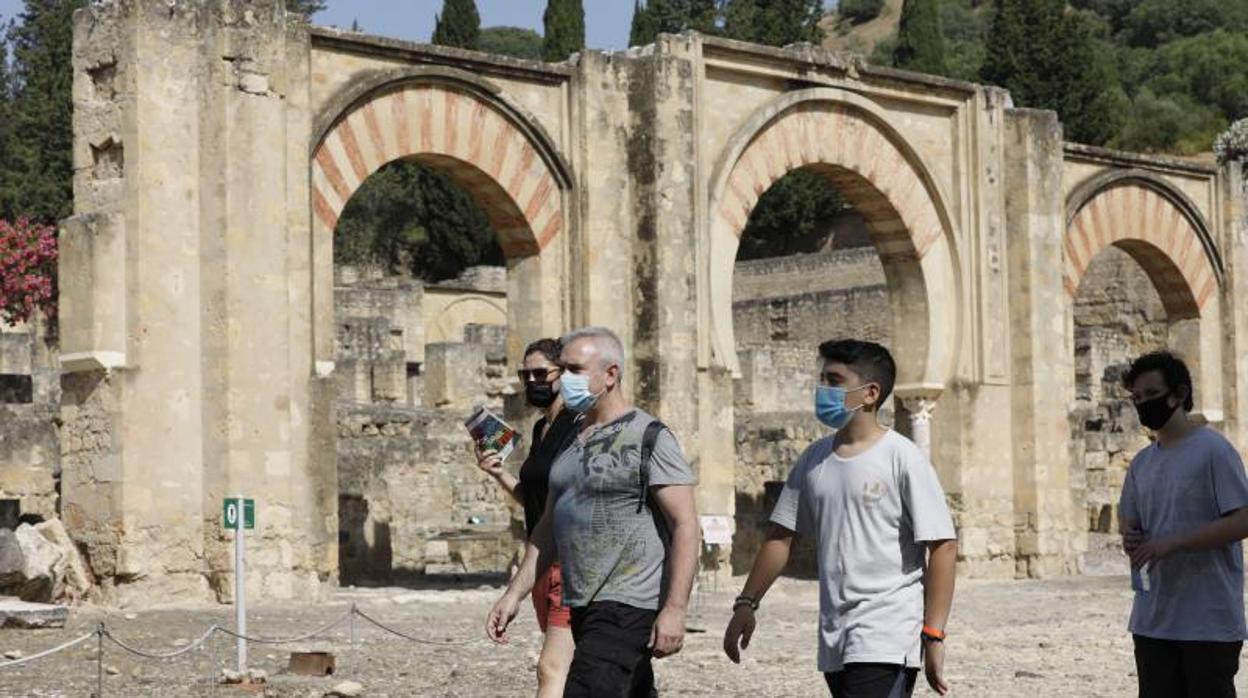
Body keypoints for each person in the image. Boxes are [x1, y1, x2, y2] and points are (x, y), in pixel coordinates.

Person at [722, 339, 957, 698]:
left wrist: (934, 634)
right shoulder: (813, 460)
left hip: (887, 633)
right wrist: (746, 603)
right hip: (834, 637)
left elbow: (942, 545)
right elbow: (781, 537)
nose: (822, 390)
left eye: (834, 380)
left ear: (870, 393)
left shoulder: (903, 458)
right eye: (822, 379)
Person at [485, 326, 700, 698]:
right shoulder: (571, 443)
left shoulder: (648, 435)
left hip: (629, 601)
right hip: (581, 601)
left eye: (574, 370)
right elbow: (548, 529)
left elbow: (685, 524)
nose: (563, 380)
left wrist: (675, 609)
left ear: (611, 374)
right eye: (562, 370)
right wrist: (512, 595)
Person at [1119, 350, 1248, 698]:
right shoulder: (1142, 463)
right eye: (1137, 398)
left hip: (1208, 621)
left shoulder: (1214, 451)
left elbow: (1242, 519)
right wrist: (1131, 537)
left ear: (1178, 394)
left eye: (1150, 395)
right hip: (1152, 620)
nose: (1143, 404)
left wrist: (1172, 543)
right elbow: (1130, 520)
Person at [475, 338, 580, 698]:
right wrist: (499, 474)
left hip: (571, 562)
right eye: (526, 374)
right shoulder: (541, 429)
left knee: (550, 667)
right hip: (540, 561)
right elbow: (536, 501)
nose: (532, 381)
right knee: (570, 669)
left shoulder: (579, 426)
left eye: (541, 373)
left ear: (563, 373)